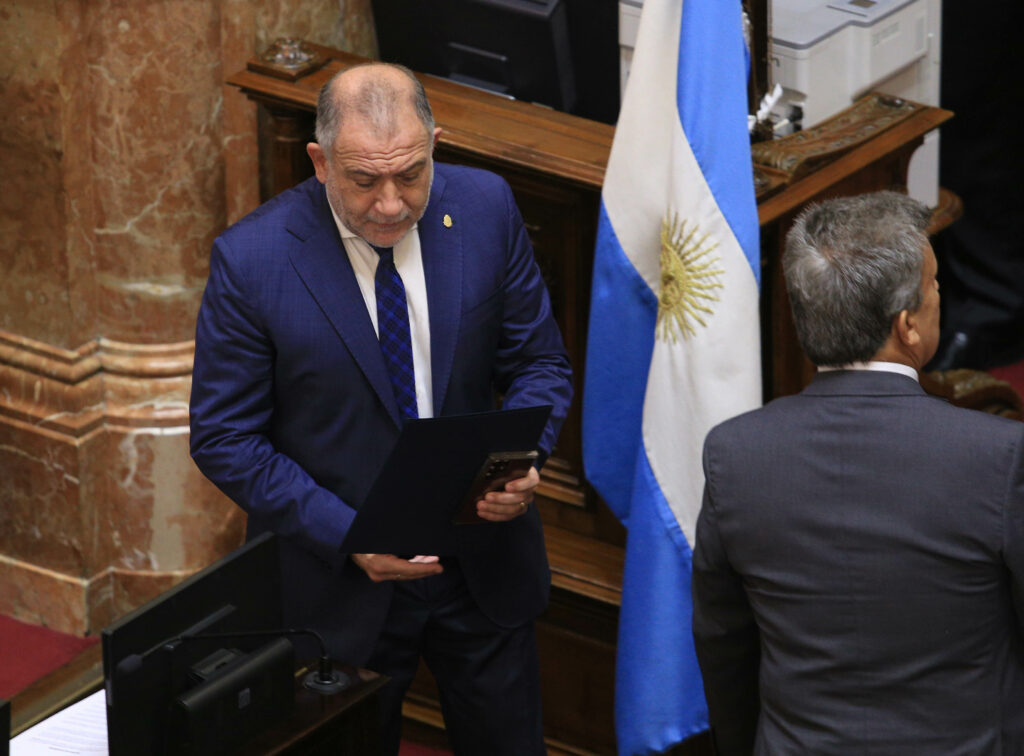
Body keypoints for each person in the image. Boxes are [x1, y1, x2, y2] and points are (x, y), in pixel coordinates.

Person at [189, 62, 572, 755]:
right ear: (320, 162)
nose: (392, 203)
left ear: (435, 145)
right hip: (338, 588)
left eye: (411, 175)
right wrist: (348, 534)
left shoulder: (486, 209)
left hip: (483, 565)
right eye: (364, 180)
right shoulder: (254, 262)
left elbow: (538, 364)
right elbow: (224, 438)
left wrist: (518, 464)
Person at [691, 191, 1024, 755]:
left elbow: (724, 645)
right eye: (935, 285)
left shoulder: (735, 455)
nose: (940, 296)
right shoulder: (1000, 456)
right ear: (907, 327)